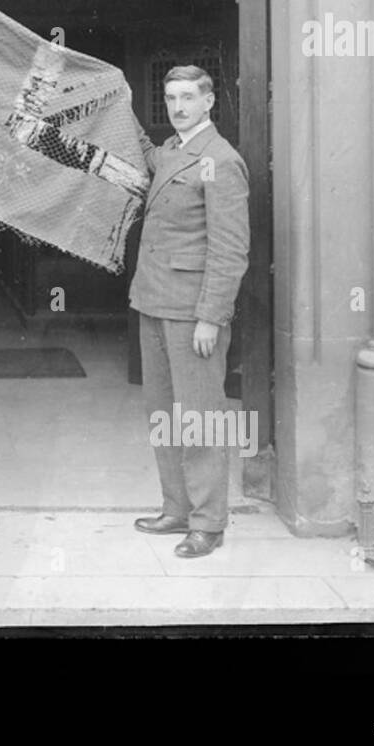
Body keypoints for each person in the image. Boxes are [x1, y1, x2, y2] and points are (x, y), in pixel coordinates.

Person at [129, 65, 250, 558]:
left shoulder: (219, 159)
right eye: (170, 97)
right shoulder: (172, 152)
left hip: (191, 311)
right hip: (153, 301)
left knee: (199, 417)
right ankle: (176, 507)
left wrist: (210, 316)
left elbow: (230, 248)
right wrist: (118, 95)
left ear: (209, 102)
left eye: (187, 98)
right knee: (164, 415)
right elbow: (142, 151)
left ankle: (207, 523)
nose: (178, 107)